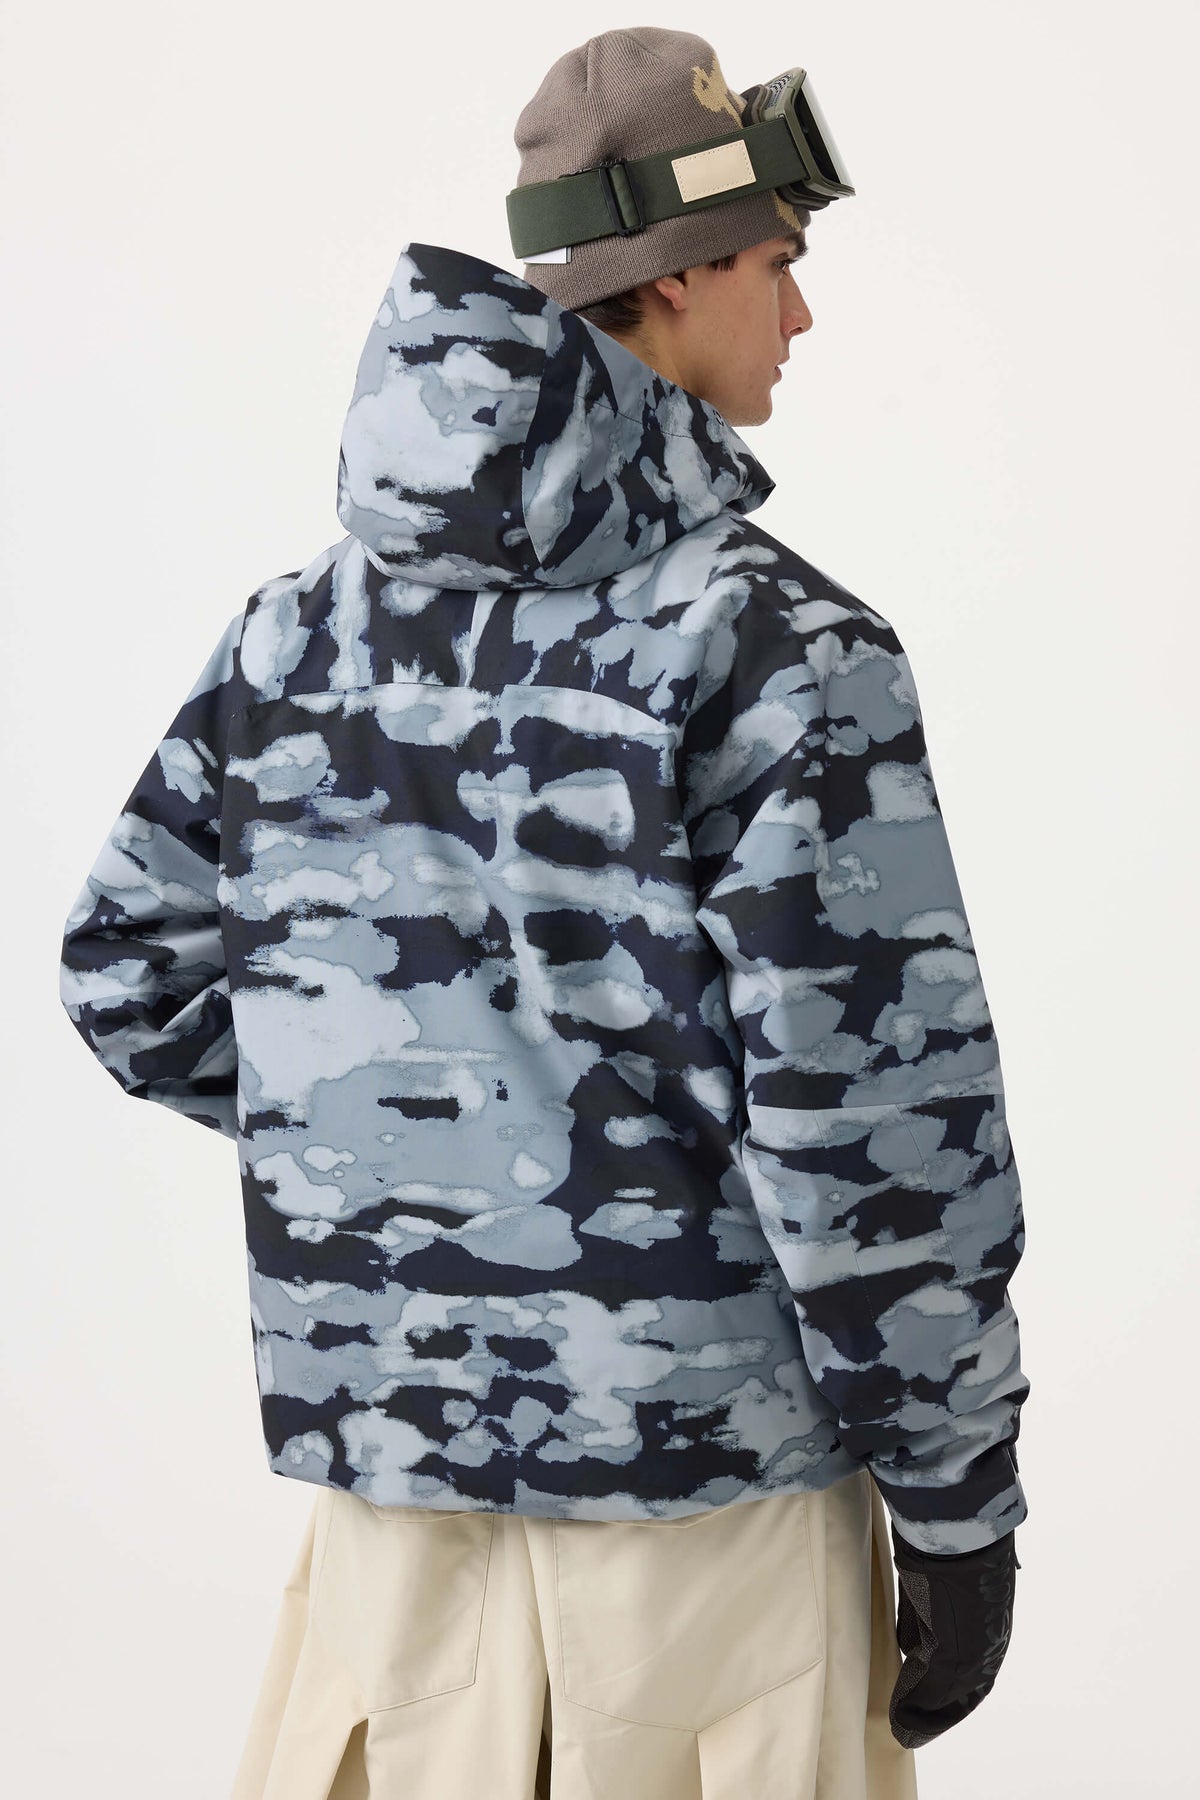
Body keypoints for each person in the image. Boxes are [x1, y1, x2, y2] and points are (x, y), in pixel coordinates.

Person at [57, 26, 1029, 1800]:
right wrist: (961, 1506)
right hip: (715, 1527)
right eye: (780, 263)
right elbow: (871, 1133)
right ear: (679, 277)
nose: (803, 315)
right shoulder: (778, 650)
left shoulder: (294, 636)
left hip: (391, 1512)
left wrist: (406, 1163)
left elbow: (128, 970)